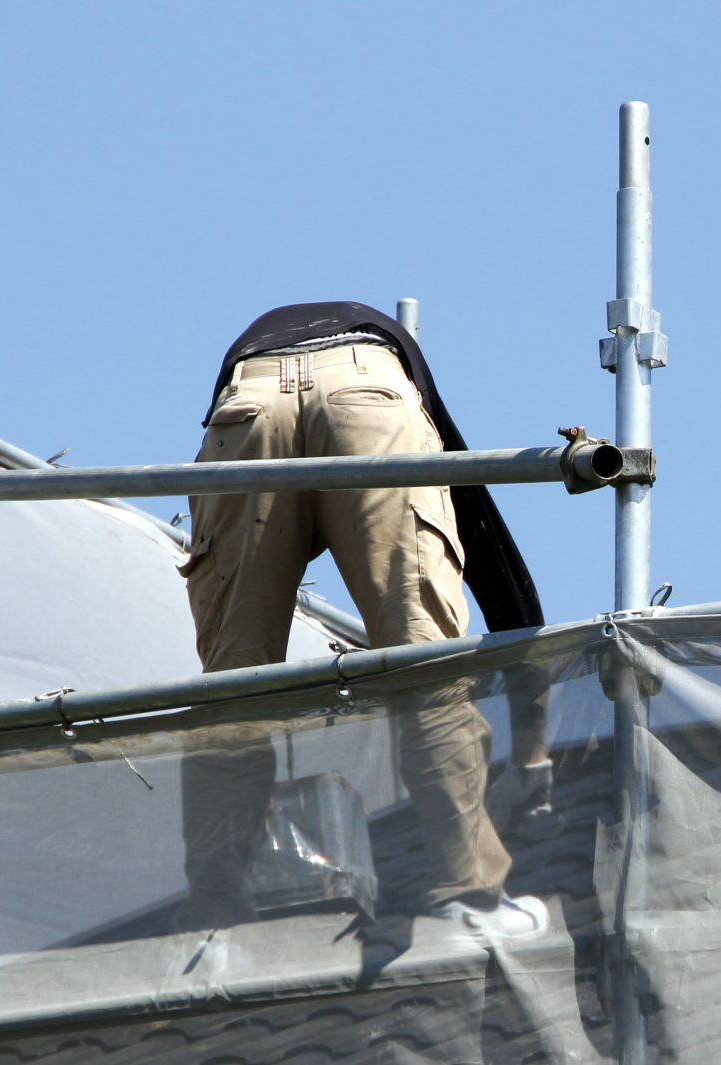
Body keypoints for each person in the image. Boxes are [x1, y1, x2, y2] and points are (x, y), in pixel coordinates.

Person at [178, 300, 552, 944]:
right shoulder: (411, 392)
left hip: (249, 397)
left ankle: (211, 920)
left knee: (232, 686)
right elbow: (503, 579)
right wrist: (535, 755)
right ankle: (469, 896)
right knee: (421, 663)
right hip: (366, 385)